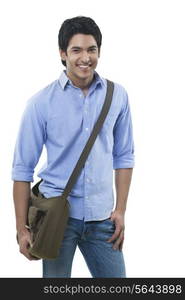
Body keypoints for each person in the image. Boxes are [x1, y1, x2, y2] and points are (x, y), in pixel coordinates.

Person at [12, 16, 135, 278]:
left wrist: (121, 211)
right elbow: (22, 170)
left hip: (103, 221)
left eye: (92, 49)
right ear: (62, 54)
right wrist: (22, 228)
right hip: (57, 219)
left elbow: (124, 156)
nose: (85, 58)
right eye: (76, 50)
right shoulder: (40, 103)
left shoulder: (118, 96)